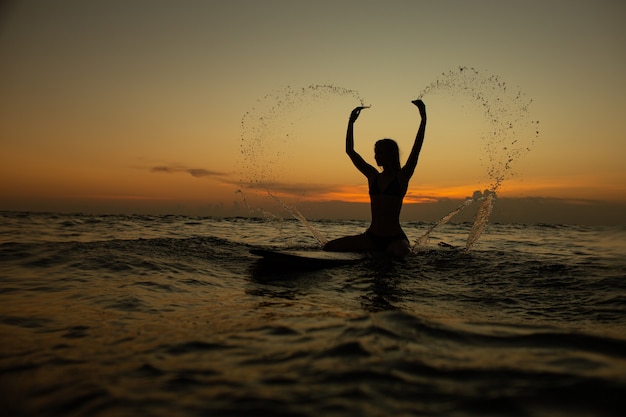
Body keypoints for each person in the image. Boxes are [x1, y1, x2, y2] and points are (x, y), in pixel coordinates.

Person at [323, 99, 427, 257]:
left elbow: (417, 149)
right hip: (372, 237)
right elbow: (350, 151)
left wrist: (423, 119)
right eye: (375, 152)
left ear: (391, 154)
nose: (376, 156)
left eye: (380, 152)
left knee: (401, 253)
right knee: (329, 247)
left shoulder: (401, 177)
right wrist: (351, 122)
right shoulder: (372, 176)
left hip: (395, 239)